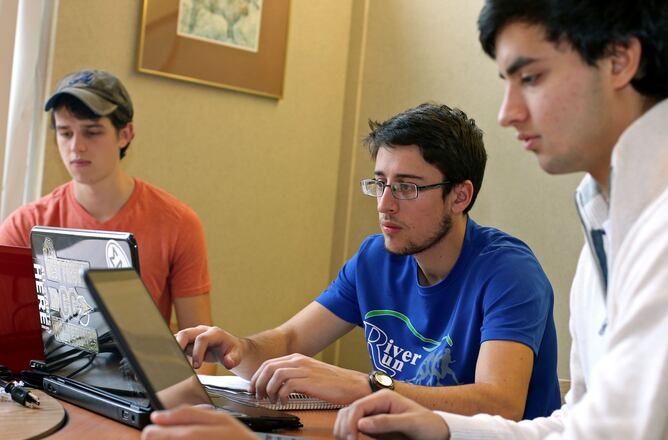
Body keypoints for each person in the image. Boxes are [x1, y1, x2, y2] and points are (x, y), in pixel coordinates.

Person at [331, 0, 668, 439]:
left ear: (618, 59)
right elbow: (578, 424)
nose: (508, 113)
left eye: (530, 77)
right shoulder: (608, 218)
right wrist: (443, 426)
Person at [170, 103, 559, 422]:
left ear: (460, 196)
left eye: (406, 187)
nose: (385, 204)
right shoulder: (376, 258)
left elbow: (501, 404)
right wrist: (234, 348)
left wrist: (365, 386)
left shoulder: (509, 272)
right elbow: (288, 342)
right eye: (380, 183)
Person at [0, 70, 214, 373]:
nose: (76, 146)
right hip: (50, 391)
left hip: (139, 392)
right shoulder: (26, 225)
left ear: (125, 134)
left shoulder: (178, 223)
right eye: (65, 133)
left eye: (92, 132)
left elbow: (201, 354)